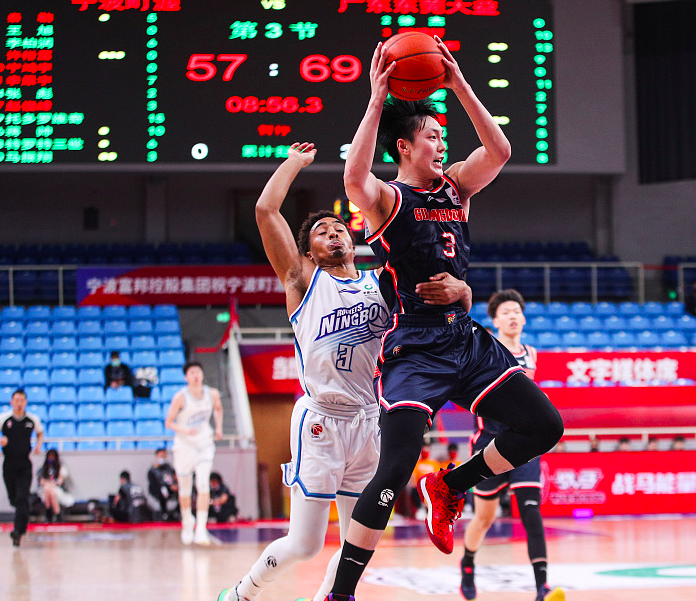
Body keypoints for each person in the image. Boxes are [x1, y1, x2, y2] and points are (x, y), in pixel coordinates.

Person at [324, 37, 563, 601]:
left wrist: (458, 84)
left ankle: (452, 485)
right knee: (394, 467)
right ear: (405, 147)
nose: (441, 142)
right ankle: (342, 593)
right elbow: (353, 179)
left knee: (544, 426)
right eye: (431, 135)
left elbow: (500, 149)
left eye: (441, 135)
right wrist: (377, 99)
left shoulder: (457, 185)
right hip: (415, 345)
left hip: (466, 339)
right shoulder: (388, 199)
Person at [217, 142, 472, 601]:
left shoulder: (383, 283)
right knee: (305, 544)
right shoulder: (302, 281)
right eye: (322, 232)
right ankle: (241, 593)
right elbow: (265, 210)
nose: (334, 234)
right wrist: (294, 163)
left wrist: (464, 290)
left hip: (370, 421)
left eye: (339, 229)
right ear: (309, 252)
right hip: (321, 420)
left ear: (353, 242)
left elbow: (437, 291)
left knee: (359, 538)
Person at [460, 290, 564, 601]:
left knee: (531, 511)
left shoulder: (531, 353)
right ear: (494, 320)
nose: (513, 316)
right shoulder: (485, 349)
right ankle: (468, 564)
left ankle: (542, 587)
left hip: (524, 442)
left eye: (517, 311)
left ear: (524, 318)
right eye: (505, 312)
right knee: (484, 518)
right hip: (489, 443)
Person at [164, 361, 223, 545]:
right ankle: (187, 522)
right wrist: (185, 430)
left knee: (203, 484)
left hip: (204, 443)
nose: (196, 375)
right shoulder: (180, 397)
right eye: (192, 373)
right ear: (186, 377)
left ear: (202, 375)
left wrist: (219, 428)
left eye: (198, 372)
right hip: (184, 445)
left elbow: (219, 409)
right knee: (185, 488)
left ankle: (201, 529)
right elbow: (168, 422)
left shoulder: (212, 394)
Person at [1, 389, 44, 546]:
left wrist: (38, 446)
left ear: (25, 402)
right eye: (16, 400)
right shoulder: (4, 419)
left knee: (22, 497)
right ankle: (23, 518)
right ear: (11, 402)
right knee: (14, 499)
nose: (19, 403)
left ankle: (18, 531)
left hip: (24, 464)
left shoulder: (32, 419)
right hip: (9, 464)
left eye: (22, 400)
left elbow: (40, 433)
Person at [37, 448, 74, 522]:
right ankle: (57, 513)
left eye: (52, 457)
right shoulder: (43, 468)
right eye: (49, 457)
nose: (51, 459)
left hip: (57, 489)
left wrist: (51, 483)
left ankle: (50, 513)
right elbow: (41, 482)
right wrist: (48, 483)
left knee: (51, 491)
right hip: (45, 490)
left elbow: (59, 482)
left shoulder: (61, 468)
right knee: (47, 489)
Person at [147, 447, 179, 521]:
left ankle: (176, 512)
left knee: (182, 491)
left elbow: (174, 477)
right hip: (158, 491)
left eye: (164, 456)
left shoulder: (168, 467)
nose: (163, 458)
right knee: (163, 490)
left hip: (171, 489)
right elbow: (155, 484)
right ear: (157, 456)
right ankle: (164, 514)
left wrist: (175, 484)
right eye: (161, 456)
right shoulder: (152, 471)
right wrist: (168, 486)